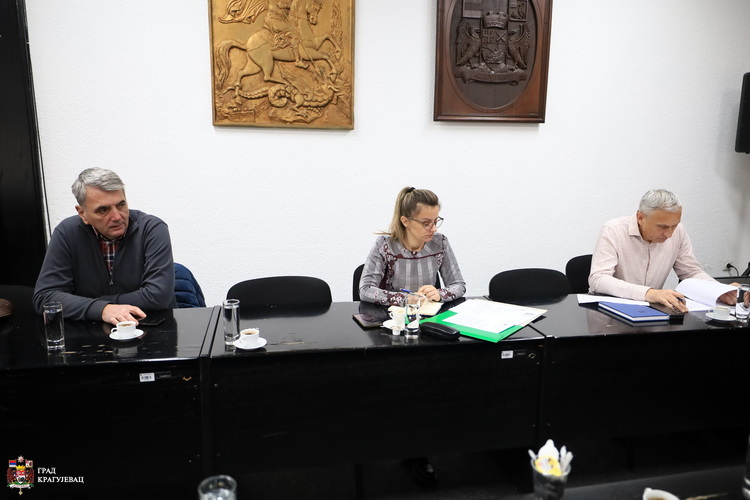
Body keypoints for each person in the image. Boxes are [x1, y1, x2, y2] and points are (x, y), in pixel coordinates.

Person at [358, 186, 466, 486]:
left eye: (436, 221)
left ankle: (426, 443)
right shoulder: (386, 246)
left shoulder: (440, 243)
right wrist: (404, 298)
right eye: (426, 222)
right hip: (392, 328)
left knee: (436, 385)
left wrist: (439, 292)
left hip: (429, 326)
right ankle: (406, 446)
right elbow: (365, 289)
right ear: (406, 221)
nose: (433, 229)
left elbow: (459, 285)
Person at [33, 168, 177, 326]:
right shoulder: (67, 233)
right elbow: (45, 298)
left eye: (121, 205)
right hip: (92, 332)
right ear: (82, 213)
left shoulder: (152, 229)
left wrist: (97, 304)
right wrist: (102, 310)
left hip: (152, 328)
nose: (117, 217)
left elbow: (158, 296)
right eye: (103, 210)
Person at [589, 189, 735, 312]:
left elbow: (691, 272)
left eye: (674, 226)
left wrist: (719, 291)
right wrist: (648, 293)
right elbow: (598, 279)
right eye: (662, 227)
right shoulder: (613, 230)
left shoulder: (678, 232)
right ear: (640, 217)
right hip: (609, 310)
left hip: (651, 310)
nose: (669, 234)